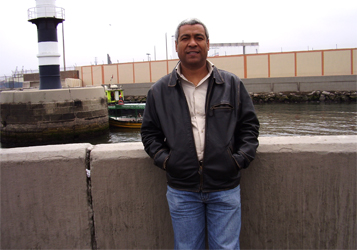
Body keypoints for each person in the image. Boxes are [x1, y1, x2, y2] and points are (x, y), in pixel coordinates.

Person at [141, 18, 259, 250]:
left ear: (207, 44)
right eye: (185, 38)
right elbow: (149, 133)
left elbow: (249, 127)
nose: (192, 43)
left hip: (225, 186)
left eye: (198, 37)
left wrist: (238, 160)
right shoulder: (159, 91)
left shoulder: (232, 84)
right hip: (181, 189)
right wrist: (167, 161)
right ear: (176, 45)